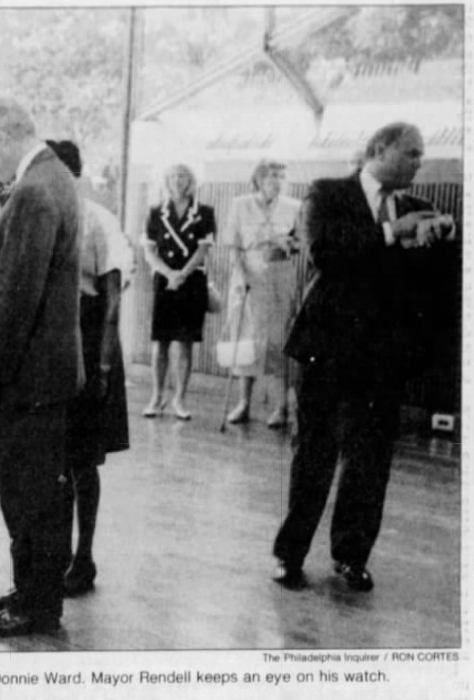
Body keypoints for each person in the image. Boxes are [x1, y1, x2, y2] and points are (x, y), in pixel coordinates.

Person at [271, 123, 456, 592]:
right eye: (411, 153)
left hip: (382, 357)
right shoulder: (327, 194)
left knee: (370, 460)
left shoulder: (417, 208)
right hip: (327, 350)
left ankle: (352, 555)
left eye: (422, 155)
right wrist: (394, 232)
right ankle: (290, 555)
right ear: (379, 149)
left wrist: (439, 241)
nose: (420, 163)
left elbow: (422, 285)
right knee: (314, 452)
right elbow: (326, 252)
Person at [0, 95, 83, 637]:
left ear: (1, 136)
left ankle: (36, 606)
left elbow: (18, 293)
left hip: (27, 375)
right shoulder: (52, 177)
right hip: (47, 373)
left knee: (28, 494)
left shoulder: (35, 191)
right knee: (41, 491)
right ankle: (34, 591)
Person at [45, 139, 130, 596]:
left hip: (89, 338)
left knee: (82, 461)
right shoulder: (41, 215)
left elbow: (113, 298)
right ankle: (55, 555)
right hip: (53, 342)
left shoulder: (97, 219)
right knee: (53, 460)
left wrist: (102, 365)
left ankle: (84, 557)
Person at [222, 160, 302, 428]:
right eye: (271, 176)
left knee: (278, 341)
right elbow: (233, 245)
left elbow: (301, 242)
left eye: (282, 176)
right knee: (246, 340)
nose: (277, 181)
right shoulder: (240, 204)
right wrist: (242, 274)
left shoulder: (294, 207)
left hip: (280, 275)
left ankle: (281, 407)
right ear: (258, 180)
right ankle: (243, 403)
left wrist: (288, 244)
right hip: (248, 274)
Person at [140, 164, 216, 420]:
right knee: (160, 342)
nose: (178, 180)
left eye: (183, 175)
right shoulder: (155, 212)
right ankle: (156, 396)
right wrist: (169, 274)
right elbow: (149, 251)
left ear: (191, 180)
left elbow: (203, 250)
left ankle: (179, 400)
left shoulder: (204, 212)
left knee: (185, 343)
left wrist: (182, 274)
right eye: (173, 175)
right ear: (166, 180)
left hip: (192, 281)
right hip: (164, 281)